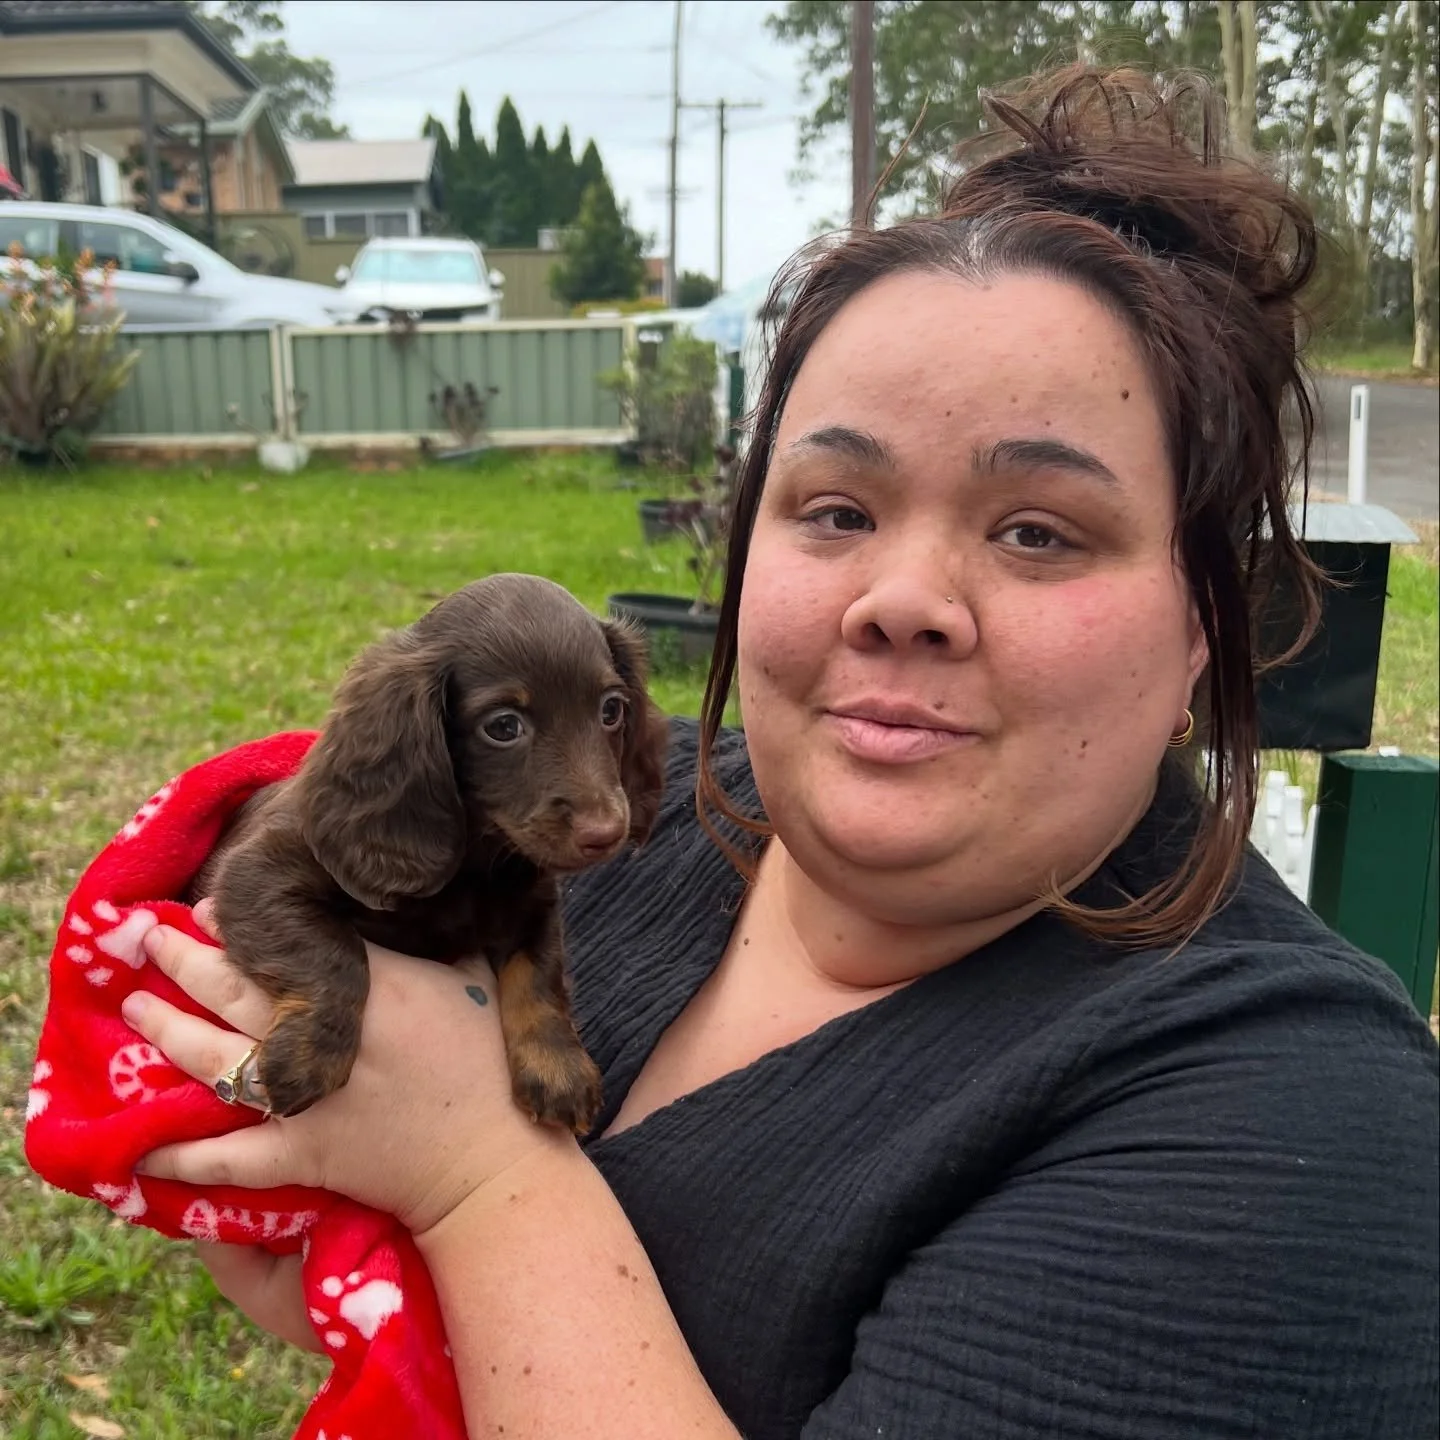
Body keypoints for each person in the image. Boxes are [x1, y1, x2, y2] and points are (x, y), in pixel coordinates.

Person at [118, 65, 1439, 1439]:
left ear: (1200, 634)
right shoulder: (647, 829)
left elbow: (460, 1162)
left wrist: (477, 1186)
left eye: (1039, 530)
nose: (901, 599)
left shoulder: (1294, 1134)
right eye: (835, 508)